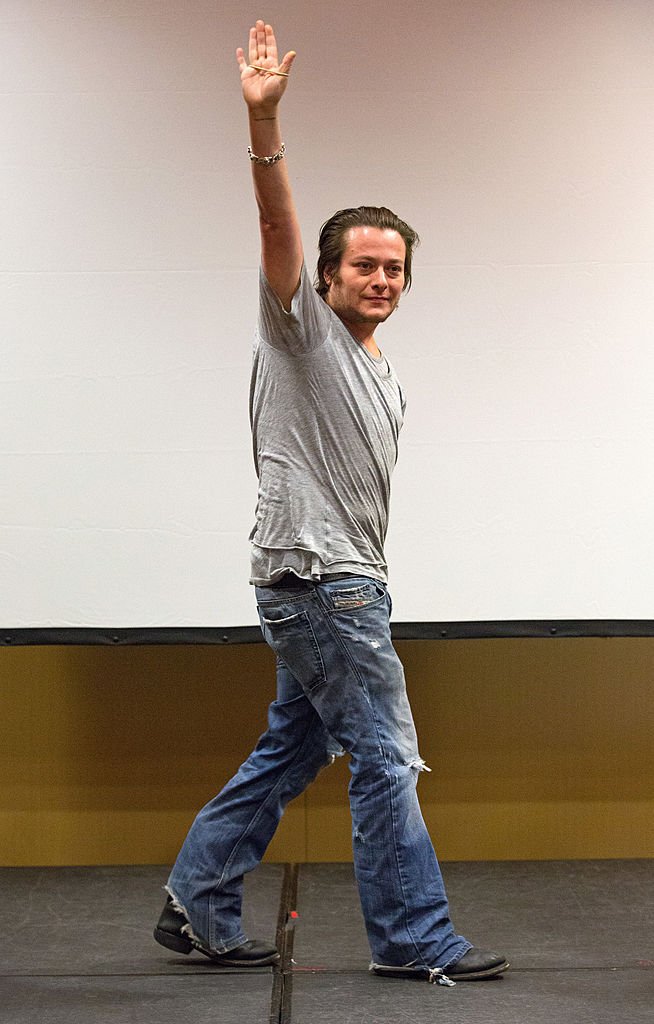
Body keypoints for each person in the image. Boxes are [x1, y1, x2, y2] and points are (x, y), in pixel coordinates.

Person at [154, 19, 509, 985]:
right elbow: (275, 226)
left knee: (288, 754)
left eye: (395, 268)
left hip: (340, 587)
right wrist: (263, 127)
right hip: (324, 587)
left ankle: (198, 900)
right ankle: (414, 940)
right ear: (323, 277)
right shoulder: (301, 332)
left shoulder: (378, 367)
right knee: (389, 761)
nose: (383, 280)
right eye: (365, 265)